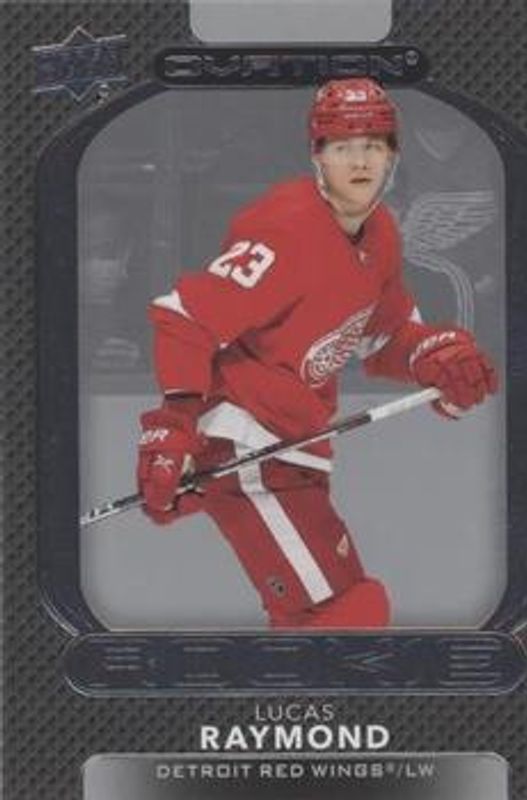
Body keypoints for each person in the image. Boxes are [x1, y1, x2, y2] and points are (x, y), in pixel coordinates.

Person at [136, 78, 498, 629]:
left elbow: (385, 336)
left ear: (394, 156)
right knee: (336, 613)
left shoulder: (380, 234)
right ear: (317, 156)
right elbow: (185, 315)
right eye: (343, 146)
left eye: (374, 145)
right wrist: (175, 424)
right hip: (247, 444)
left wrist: (434, 357)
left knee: (327, 614)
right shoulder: (286, 227)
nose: (360, 161)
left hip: (296, 447)